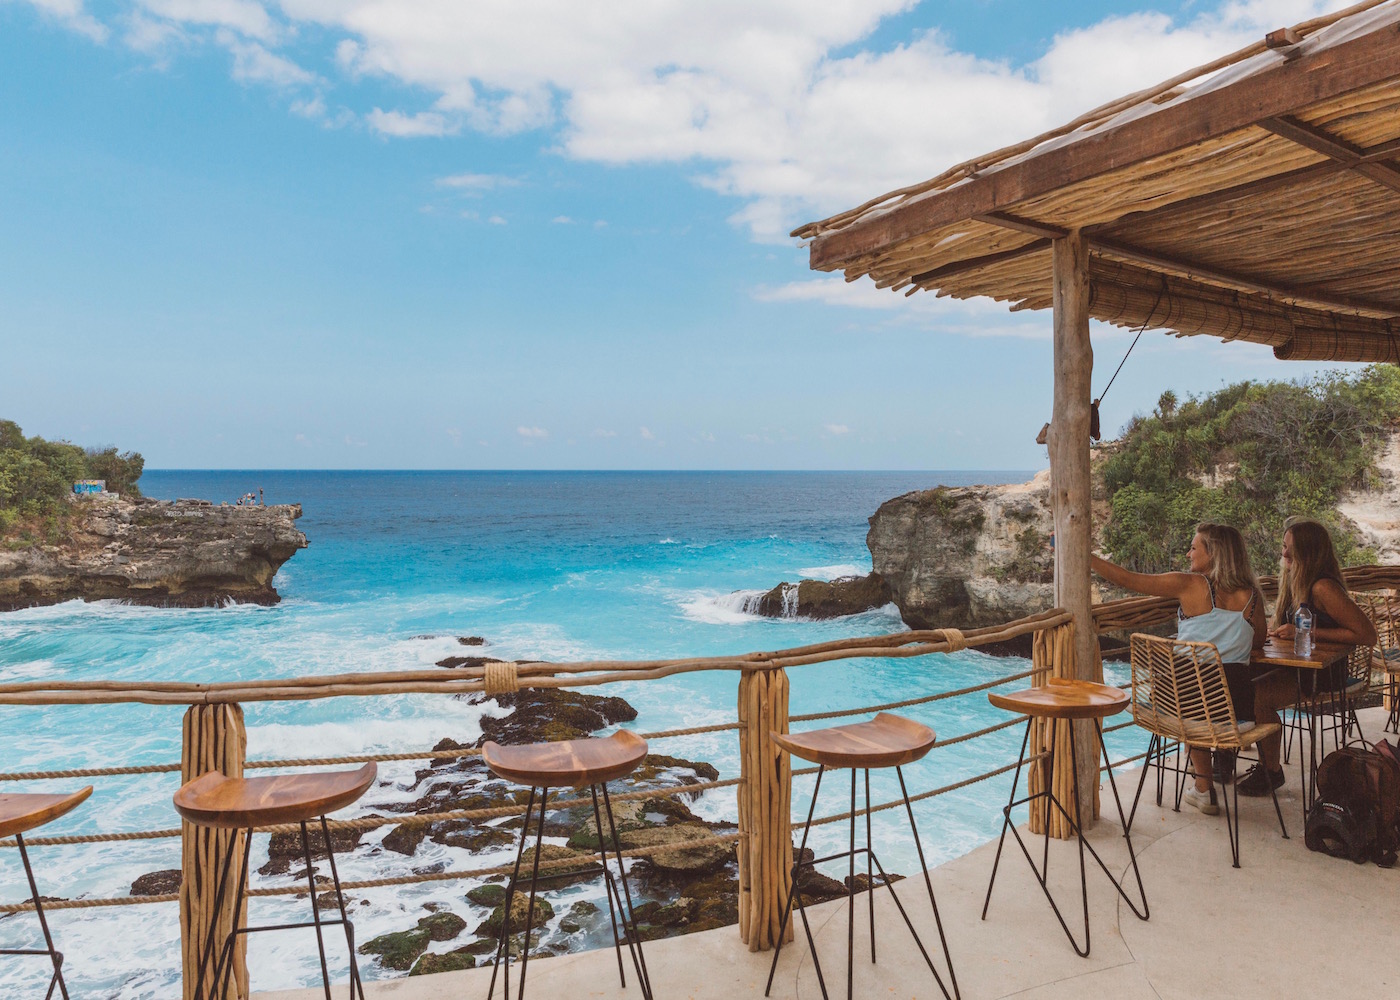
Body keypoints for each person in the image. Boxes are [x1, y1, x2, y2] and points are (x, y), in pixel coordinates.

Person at [1089, 524, 1267, 815]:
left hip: (1184, 707)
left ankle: (1203, 787)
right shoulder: (1252, 596)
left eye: (1194, 547)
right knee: (1204, 691)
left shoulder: (1191, 584)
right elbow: (1259, 639)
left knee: (1189, 688)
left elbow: (1129, 579)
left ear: (1213, 554)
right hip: (1237, 714)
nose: (1188, 553)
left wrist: (1088, 557)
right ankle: (1210, 775)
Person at [1239, 519, 1377, 796]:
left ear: (1310, 552)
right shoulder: (1295, 580)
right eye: (1284, 547)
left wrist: (1309, 630)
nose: (1285, 554)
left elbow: (1366, 634)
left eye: (1293, 549)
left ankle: (1271, 771)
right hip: (1297, 667)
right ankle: (1225, 755)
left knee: (1257, 695)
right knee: (1238, 680)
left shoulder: (1322, 587)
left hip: (1322, 673)